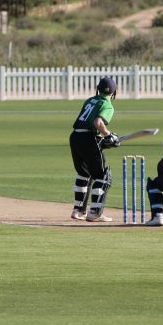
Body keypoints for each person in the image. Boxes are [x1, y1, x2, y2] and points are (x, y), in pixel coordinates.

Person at [68, 76, 120, 222]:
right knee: (102, 176)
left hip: (75, 137)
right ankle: (95, 212)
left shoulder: (90, 100)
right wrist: (108, 135)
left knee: (83, 173)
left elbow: (87, 123)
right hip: (88, 139)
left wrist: (104, 138)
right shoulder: (107, 105)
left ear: (98, 89)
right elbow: (98, 122)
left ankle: (78, 211)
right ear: (115, 91)